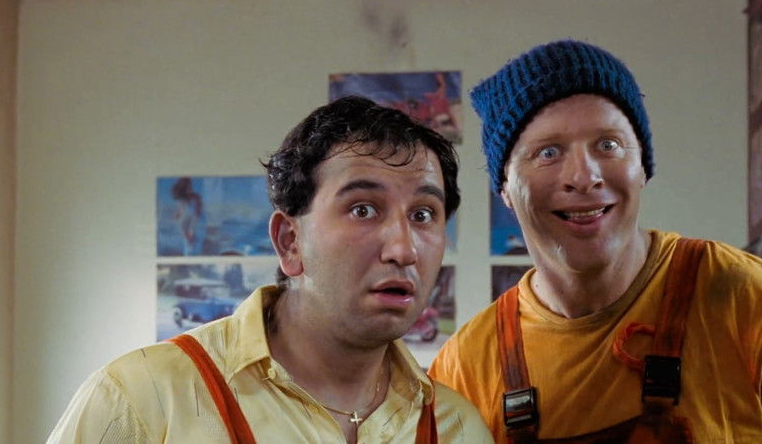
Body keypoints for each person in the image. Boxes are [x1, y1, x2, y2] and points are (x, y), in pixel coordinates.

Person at [428, 40, 762, 443]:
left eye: (608, 145)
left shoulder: (742, 298)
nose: (584, 176)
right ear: (505, 189)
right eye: (548, 152)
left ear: (642, 166)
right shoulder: (466, 367)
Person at [49, 97, 492, 443]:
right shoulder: (143, 400)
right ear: (289, 241)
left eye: (423, 214)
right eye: (363, 209)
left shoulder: (455, 427)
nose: (403, 249)